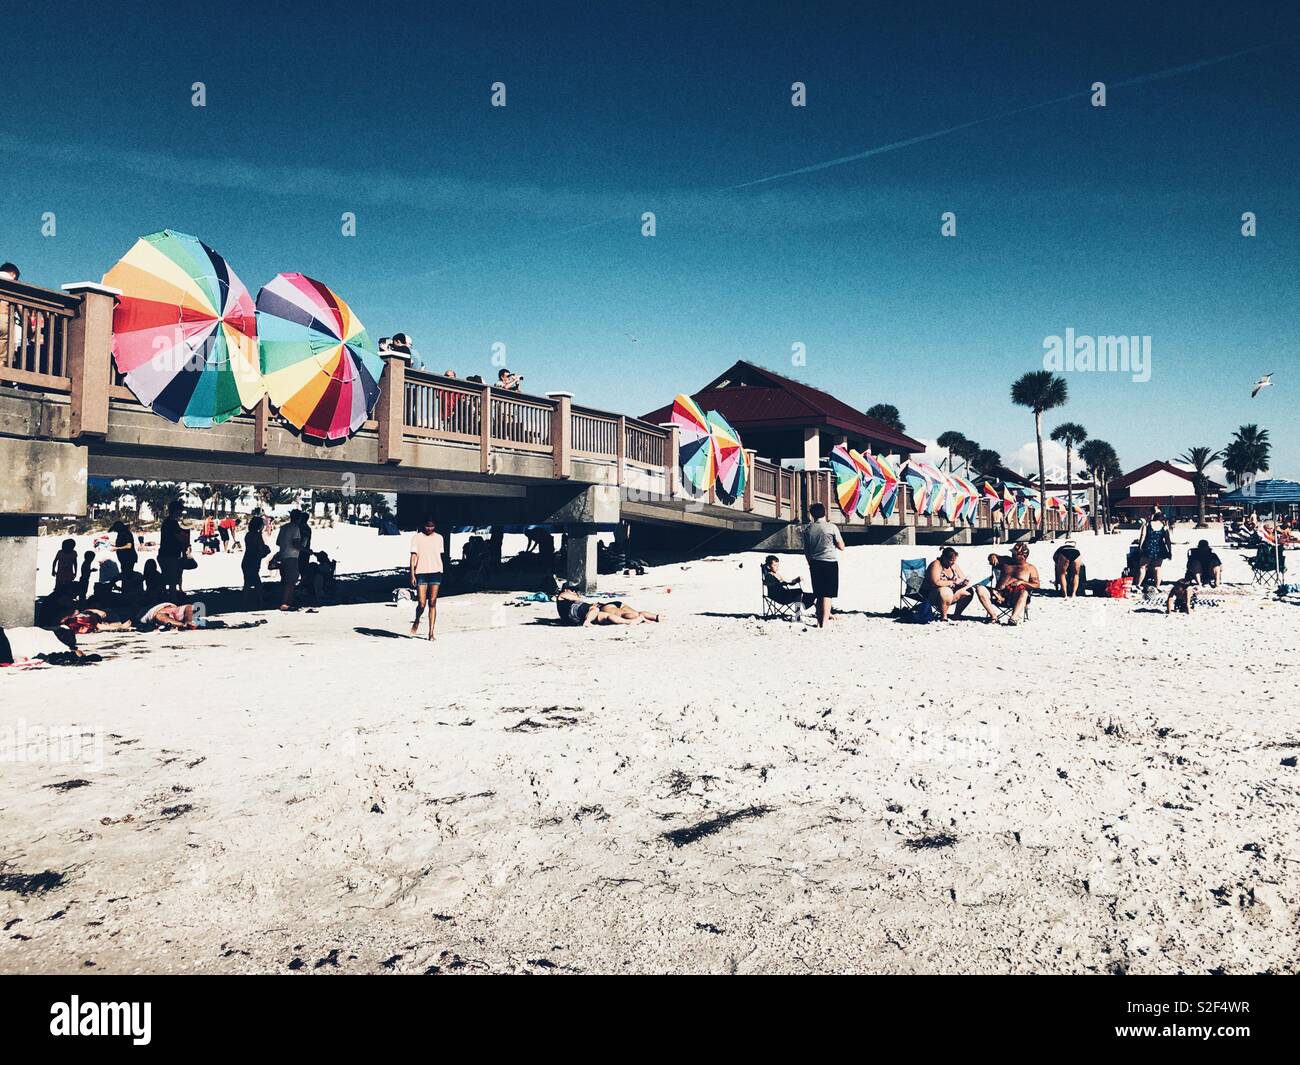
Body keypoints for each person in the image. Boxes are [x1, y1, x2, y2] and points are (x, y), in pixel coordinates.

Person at [974, 541, 1039, 624]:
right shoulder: (1006, 560)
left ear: (1024, 556)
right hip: (998, 594)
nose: (1013, 555)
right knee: (980, 589)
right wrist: (992, 556)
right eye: (1013, 553)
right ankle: (993, 616)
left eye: (1015, 554)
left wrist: (1023, 582)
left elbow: (1036, 585)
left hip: (1016, 597)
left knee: (1025, 592)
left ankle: (1013, 618)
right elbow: (993, 556)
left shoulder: (1030, 568)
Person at [801, 502, 844, 628]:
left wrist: (810, 562)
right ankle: (824, 623)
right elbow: (841, 546)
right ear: (824, 513)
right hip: (829, 562)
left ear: (812, 515)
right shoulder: (831, 527)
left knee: (818, 593)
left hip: (815, 563)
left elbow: (806, 550)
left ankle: (819, 621)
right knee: (828, 594)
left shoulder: (808, 529)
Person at [409, 516, 445, 640]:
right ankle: (417, 619)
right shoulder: (416, 538)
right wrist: (412, 574)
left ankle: (431, 633)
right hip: (421, 572)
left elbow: (439, 555)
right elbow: (413, 557)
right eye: (427, 526)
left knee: (433, 602)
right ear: (423, 525)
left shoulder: (439, 538)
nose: (429, 528)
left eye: (432, 526)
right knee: (422, 603)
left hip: (436, 571)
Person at [555, 587, 662, 625]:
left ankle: (646, 618)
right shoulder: (563, 594)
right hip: (605, 606)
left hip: (604, 607)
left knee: (631, 614)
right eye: (572, 590)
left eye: (575, 590)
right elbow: (578, 599)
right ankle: (655, 617)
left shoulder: (569, 603)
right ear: (566, 590)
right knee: (635, 613)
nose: (574, 592)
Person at [922, 547, 976, 621]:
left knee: (968, 590)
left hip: (950, 592)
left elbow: (962, 577)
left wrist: (964, 582)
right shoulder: (936, 564)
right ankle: (944, 616)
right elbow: (935, 582)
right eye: (951, 560)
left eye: (954, 560)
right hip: (933, 594)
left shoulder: (953, 565)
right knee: (946, 591)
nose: (953, 562)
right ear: (944, 558)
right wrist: (952, 582)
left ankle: (956, 615)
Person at [158, 500, 189, 598]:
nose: (181, 513)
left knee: (168, 580)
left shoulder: (168, 522)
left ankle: (167, 599)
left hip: (165, 554)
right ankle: (172, 602)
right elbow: (179, 538)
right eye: (180, 510)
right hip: (169, 555)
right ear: (176, 510)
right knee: (172, 582)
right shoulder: (172, 523)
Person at [1134, 508, 1172, 589]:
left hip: (1148, 547)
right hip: (1160, 548)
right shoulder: (1164, 527)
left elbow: (1142, 536)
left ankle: (1138, 584)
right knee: (1157, 567)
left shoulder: (1147, 524)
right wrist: (1170, 551)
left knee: (1143, 567)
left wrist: (1140, 546)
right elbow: (1167, 540)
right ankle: (1157, 585)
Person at [275, 510, 303, 610]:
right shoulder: (296, 528)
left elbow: (278, 542)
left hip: (283, 555)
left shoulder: (284, 527)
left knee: (285, 579)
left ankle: (288, 600)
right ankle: (285, 602)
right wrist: (305, 549)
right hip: (292, 556)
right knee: (291, 581)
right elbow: (296, 544)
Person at [242, 515, 269, 607]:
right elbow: (260, 550)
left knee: (247, 582)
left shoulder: (248, 534)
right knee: (257, 583)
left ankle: (245, 601)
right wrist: (266, 550)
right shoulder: (257, 536)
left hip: (246, 560)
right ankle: (260, 601)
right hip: (253, 561)